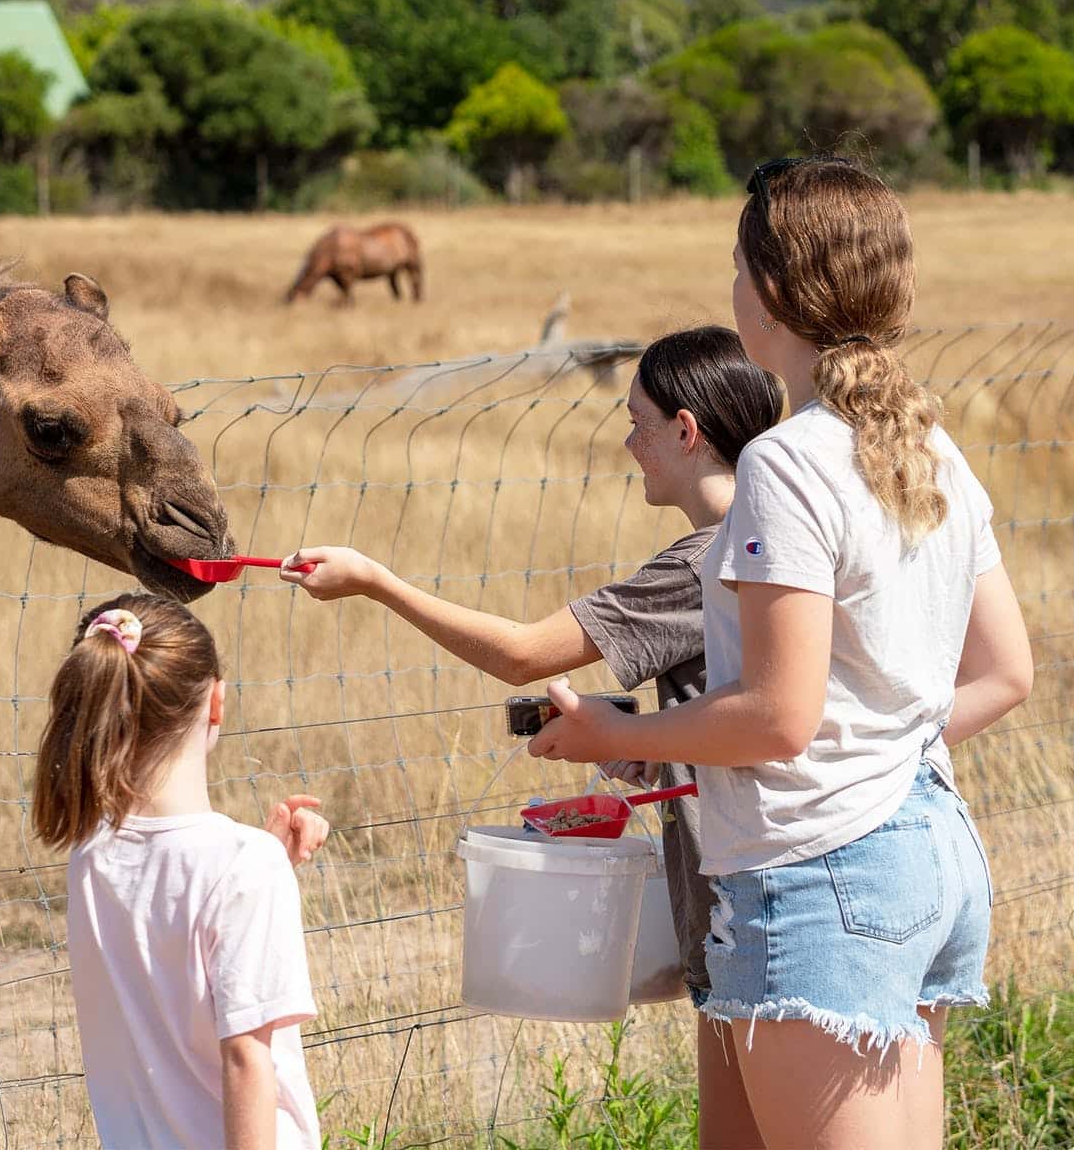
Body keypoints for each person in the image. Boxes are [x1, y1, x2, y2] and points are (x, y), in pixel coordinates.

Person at [526, 156, 1035, 1149]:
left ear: (766, 292)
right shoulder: (930, 447)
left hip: (818, 878)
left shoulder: (786, 463)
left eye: (733, 266)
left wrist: (607, 728)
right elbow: (1002, 674)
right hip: (928, 854)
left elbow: (777, 717)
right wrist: (872, 753)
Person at [280, 326, 785, 1149]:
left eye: (640, 424)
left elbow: (521, 654)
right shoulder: (785, 537)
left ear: (688, 432)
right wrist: (632, 741)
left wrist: (377, 582)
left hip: (746, 909)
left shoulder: (707, 558)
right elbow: (745, 713)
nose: (629, 444)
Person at [33, 592, 331, 1150]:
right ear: (217, 703)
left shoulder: (90, 855)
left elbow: (169, 918)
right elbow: (245, 1059)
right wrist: (259, 867)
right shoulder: (242, 867)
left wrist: (267, 863)